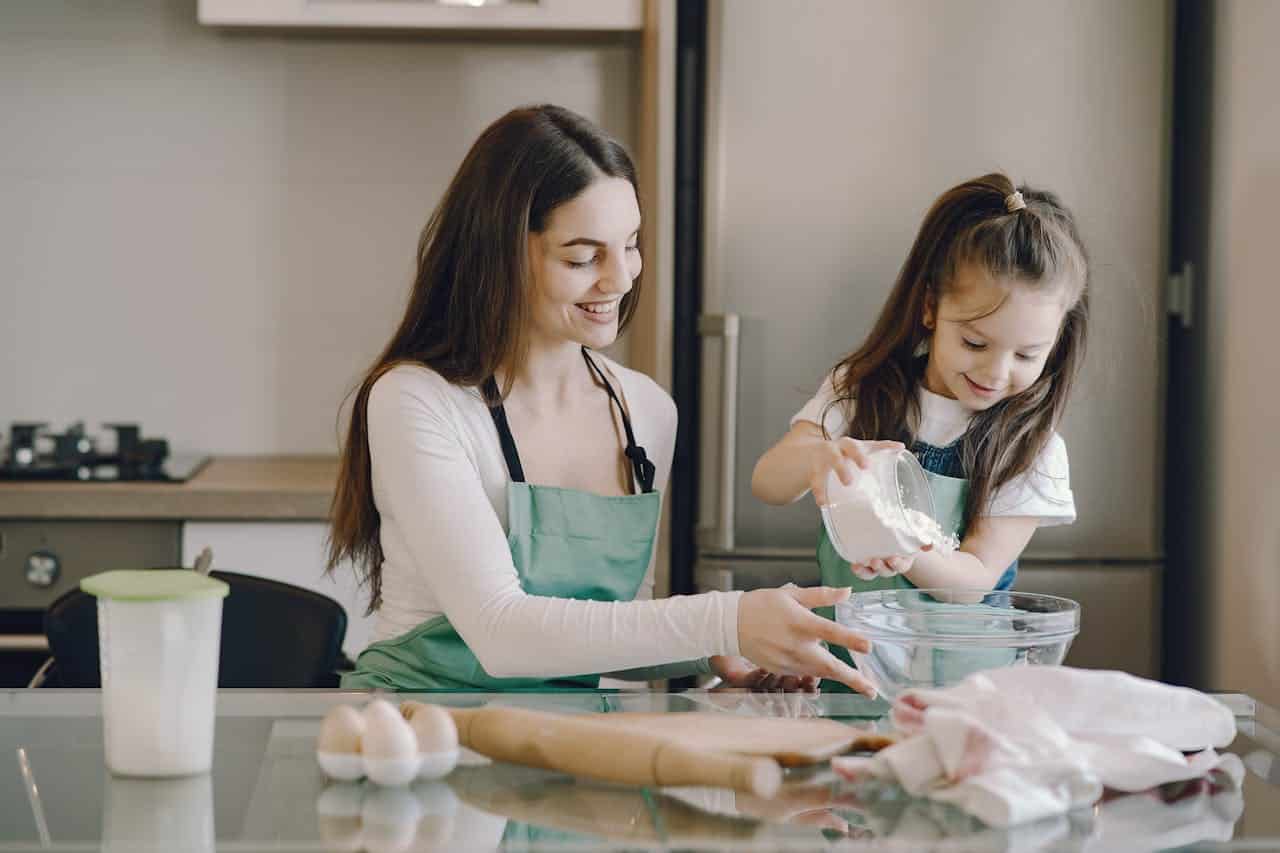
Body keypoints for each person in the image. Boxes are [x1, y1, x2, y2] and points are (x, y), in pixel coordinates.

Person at [327, 104, 875, 695]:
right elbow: (502, 632)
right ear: (503, 253)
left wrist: (722, 651)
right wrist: (726, 619)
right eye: (584, 257)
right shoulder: (416, 401)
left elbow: (607, 633)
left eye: (631, 245)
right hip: (420, 735)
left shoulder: (645, 412)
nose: (620, 279)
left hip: (559, 743)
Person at [752, 173, 1087, 673]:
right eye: (975, 343)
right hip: (849, 671)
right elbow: (768, 484)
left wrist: (902, 548)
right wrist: (815, 457)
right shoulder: (862, 391)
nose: (996, 372)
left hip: (966, 686)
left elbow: (973, 580)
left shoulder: (1032, 448)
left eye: (1027, 354)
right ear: (931, 308)